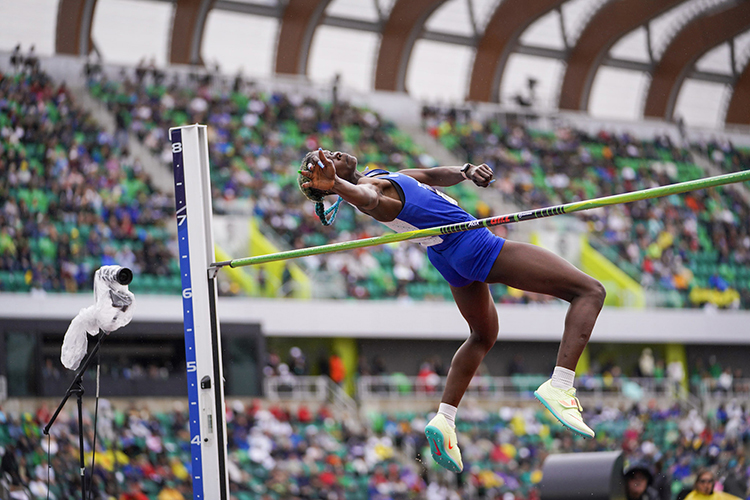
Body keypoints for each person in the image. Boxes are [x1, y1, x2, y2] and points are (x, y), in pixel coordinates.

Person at [298, 148, 606, 473]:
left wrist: (465, 171)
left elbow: (430, 177)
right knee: (589, 291)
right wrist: (338, 188)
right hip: (471, 244)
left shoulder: (381, 176)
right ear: (332, 177)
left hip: (449, 256)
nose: (337, 152)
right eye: (331, 159)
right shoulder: (374, 191)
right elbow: (367, 199)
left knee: (483, 335)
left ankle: (445, 419)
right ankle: (560, 384)